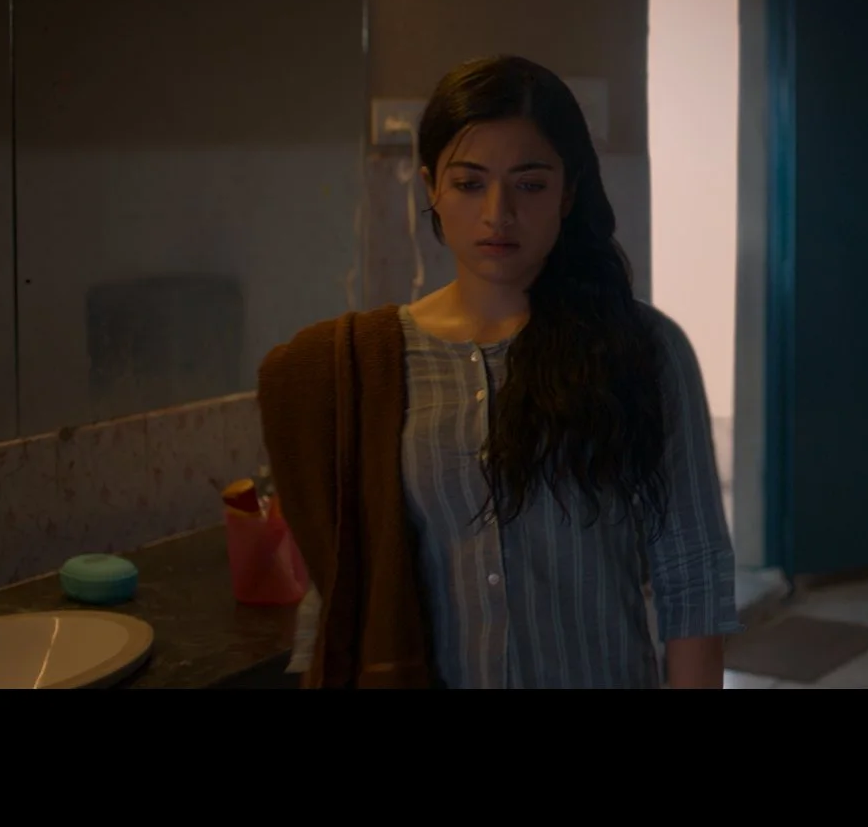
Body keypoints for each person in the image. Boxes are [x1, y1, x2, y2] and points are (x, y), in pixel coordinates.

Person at [257, 54, 740, 688]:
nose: (497, 213)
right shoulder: (369, 369)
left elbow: (692, 569)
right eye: (469, 183)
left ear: (568, 192)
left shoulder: (643, 350)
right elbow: (341, 584)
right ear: (431, 188)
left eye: (530, 184)